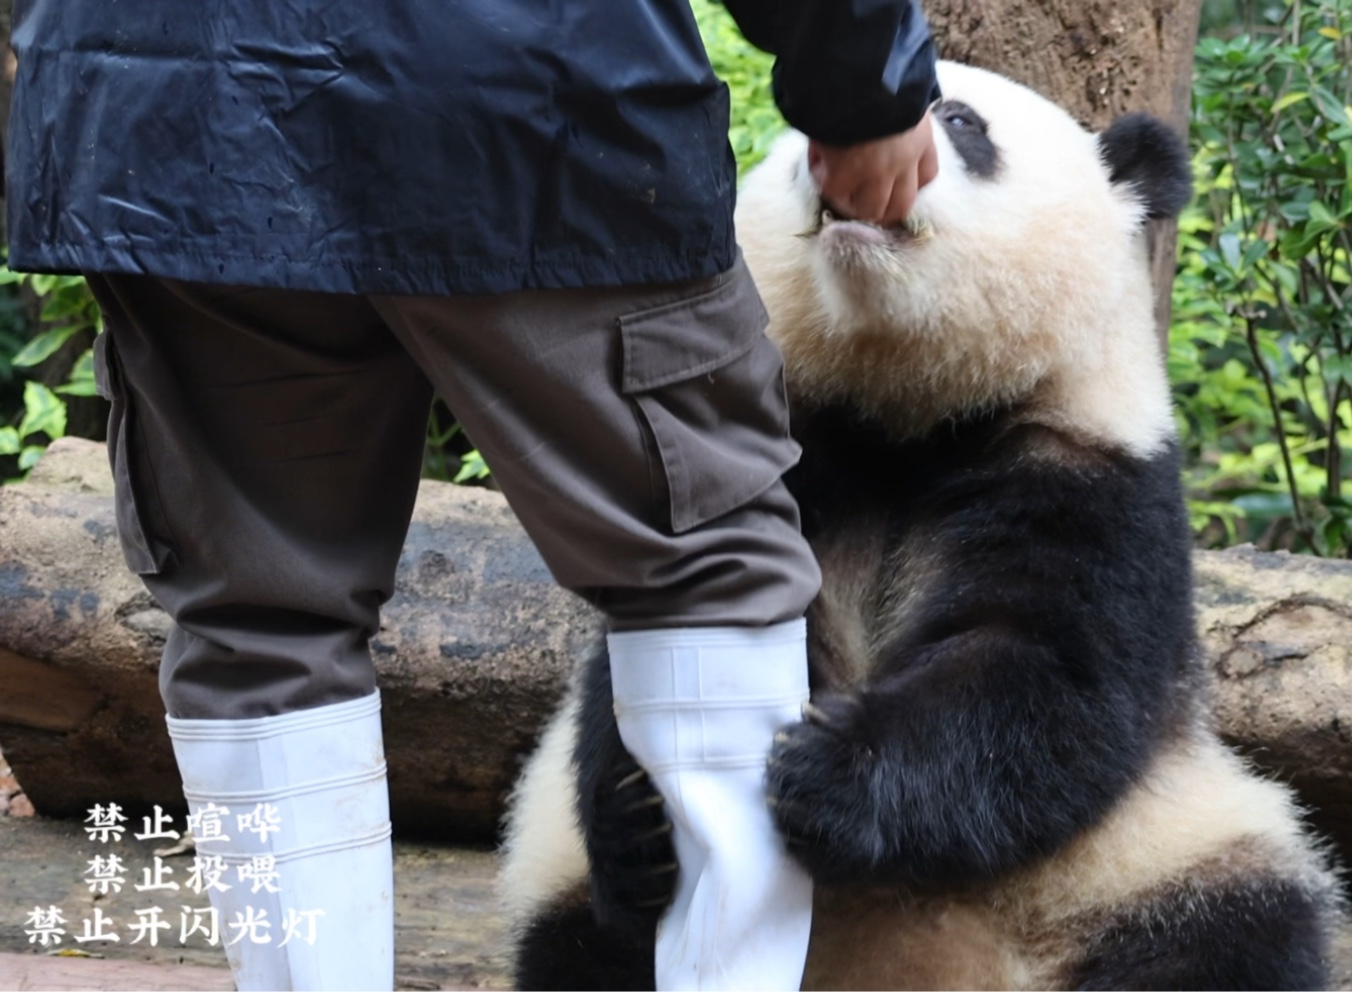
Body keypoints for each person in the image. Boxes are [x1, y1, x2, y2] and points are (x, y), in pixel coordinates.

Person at [6, 0, 939, 989]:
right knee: (709, 565)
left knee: (259, 626)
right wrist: (866, 84)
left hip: (158, 88)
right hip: (533, 83)